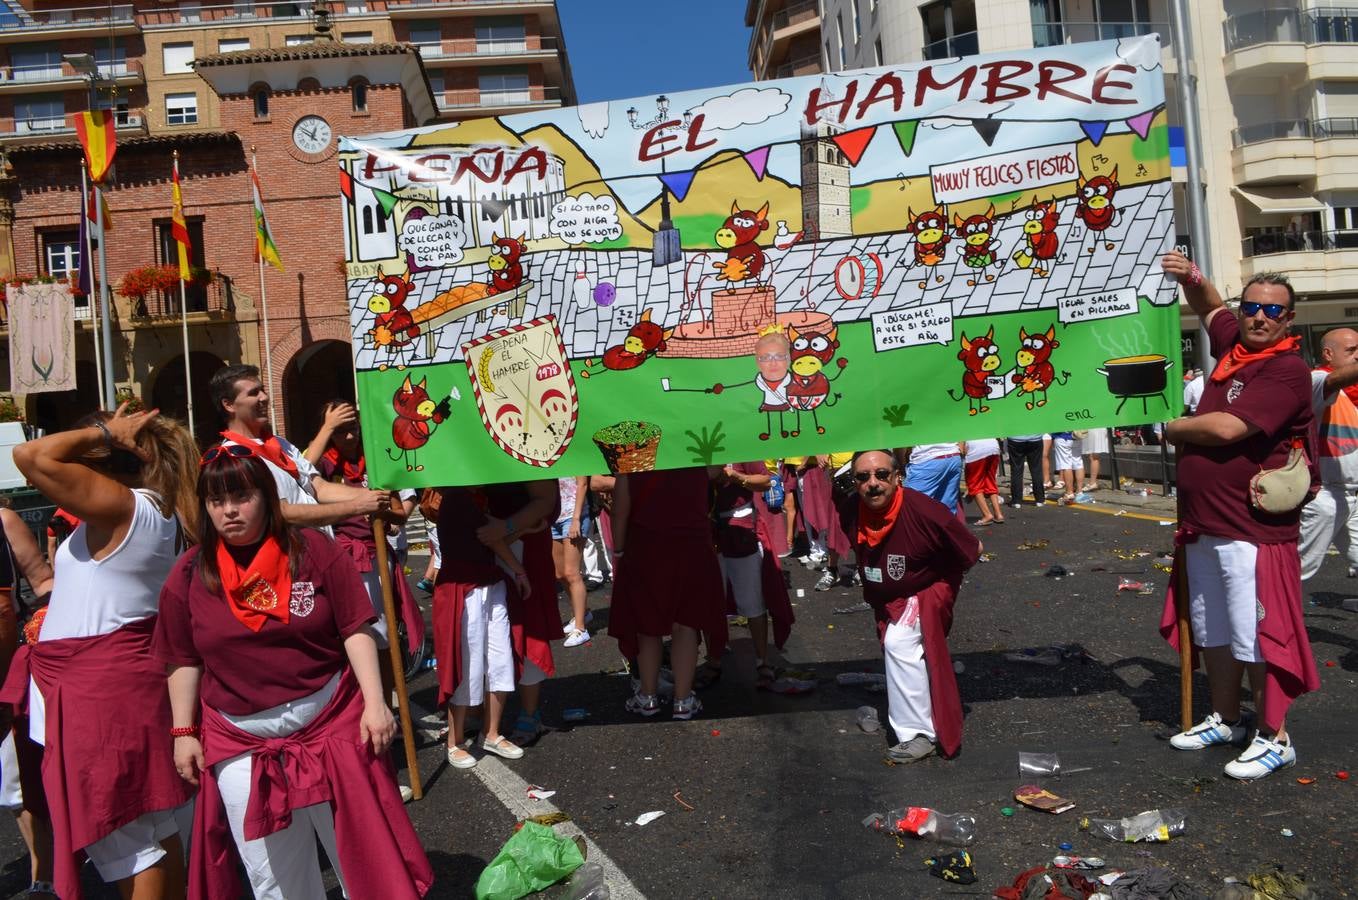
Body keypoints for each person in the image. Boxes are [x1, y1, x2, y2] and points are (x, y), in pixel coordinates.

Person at [154, 446, 433, 898]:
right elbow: (182, 657)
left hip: (331, 723)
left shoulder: (313, 550)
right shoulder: (189, 574)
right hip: (240, 739)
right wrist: (183, 731)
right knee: (273, 876)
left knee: (362, 858)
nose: (229, 510)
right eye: (215, 500)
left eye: (241, 496)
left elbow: (354, 627)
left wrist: (377, 702)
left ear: (265, 495)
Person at [4, 404, 199, 899]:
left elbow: (30, 455)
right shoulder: (159, 510)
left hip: (101, 696)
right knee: (150, 827)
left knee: (124, 840)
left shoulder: (127, 506)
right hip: (114, 686)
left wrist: (105, 431)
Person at [1159, 250, 1319, 781]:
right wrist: (1194, 276)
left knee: (1259, 635)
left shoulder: (1287, 368)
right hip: (1205, 523)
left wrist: (1171, 426)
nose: (1258, 317)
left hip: (1254, 530)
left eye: (1273, 311)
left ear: (1288, 320)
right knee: (1216, 631)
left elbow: (1229, 428)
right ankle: (1227, 718)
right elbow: (1208, 308)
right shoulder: (1234, 347)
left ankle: (1276, 737)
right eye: (1251, 306)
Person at [839, 451, 980, 762]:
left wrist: (935, 585)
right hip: (887, 595)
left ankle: (919, 734)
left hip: (926, 589)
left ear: (897, 476)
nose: (872, 484)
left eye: (881, 475)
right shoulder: (850, 509)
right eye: (862, 477)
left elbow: (972, 549)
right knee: (904, 650)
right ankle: (918, 710)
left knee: (899, 643)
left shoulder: (925, 511)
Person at [304, 400, 423, 662]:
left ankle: (385, 696)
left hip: (375, 558)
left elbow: (399, 514)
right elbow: (295, 476)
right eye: (339, 430)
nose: (348, 436)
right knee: (342, 631)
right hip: (336, 561)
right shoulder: (320, 465)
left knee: (381, 632)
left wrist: (383, 514)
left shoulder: (377, 460)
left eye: (353, 428)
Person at [433, 484, 542, 769]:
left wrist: (521, 534)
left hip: (489, 584)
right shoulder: (458, 496)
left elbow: (492, 537)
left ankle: (491, 733)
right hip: (463, 589)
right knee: (466, 663)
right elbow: (490, 537)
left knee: (500, 658)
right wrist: (519, 569)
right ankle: (454, 741)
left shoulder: (477, 497)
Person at [609, 467, 728, 720]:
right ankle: (683, 700)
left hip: (646, 547)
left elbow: (620, 510)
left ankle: (648, 696)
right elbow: (717, 469)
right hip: (691, 545)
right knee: (686, 624)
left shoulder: (635, 457)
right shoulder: (694, 452)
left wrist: (618, 551)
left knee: (647, 625)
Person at [209, 365, 387, 531]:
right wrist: (356, 506)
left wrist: (369, 495)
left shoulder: (280, 444)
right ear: (229, 405)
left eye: (262, 389)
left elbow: (319, 487)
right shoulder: (233, 457)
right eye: (254, 393)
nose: (264, 397)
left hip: (315, 553)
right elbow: (282, 512)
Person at [0, 505, 55, 898]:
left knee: (20, 781)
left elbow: (42, 581)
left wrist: (50, 620)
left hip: (4, 673)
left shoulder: (3, 521)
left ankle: (43, 876)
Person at [703, 463, 795, 690]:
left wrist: (734, 476)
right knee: (710, 602)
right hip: (705, 531)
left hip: (740, 530)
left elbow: (765, 481)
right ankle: (713, 660)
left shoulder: (739, 443)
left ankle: (762, 661)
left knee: (752, 600)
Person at [1299, 328, 1358, 581]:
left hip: (1352, 496)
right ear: (1327, 354)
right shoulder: (1316, 381)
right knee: (1298, 567)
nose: (1357, 356)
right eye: (1351, 350)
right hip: (1324, 495)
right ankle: (1261, 614)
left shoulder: (1353, 395)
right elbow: (1334, 382)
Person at [554, 476, 593, 647]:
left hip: (574, 516)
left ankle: (581, 628)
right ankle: (583, 613)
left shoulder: (575, 451)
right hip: (553, 517)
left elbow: (582, 484)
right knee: (559, 573)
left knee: (571, 572)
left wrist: (576, 519)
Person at [903, 443, 964, 514]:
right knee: (946, 510)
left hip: (927, 458)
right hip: (953, 455)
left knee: (912, 506)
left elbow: (901, 444)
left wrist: (901, 465)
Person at [962, 438, 1004, 525]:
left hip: (976, 450)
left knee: (974, 484)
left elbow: (962, 448)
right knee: (990, 481)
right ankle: (998, 514)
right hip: (993, 447)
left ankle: (987, 515)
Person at [1006, 433, 1046, 508]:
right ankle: (1040, 499)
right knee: (1036, 469)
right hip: (1035, 437)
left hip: (1016, 438)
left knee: (1016, 470)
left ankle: (1016, 501)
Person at [1052, 431, 1083, 504]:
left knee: (1066, 465)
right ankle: (1079, 491)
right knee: (1078, 464)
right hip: (1077, 436)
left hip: (1062, 436)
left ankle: (1069, 493)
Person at [1081, 428, 1109, 492]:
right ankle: (1092, 482)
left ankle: (1092, 482)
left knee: (1094, 456)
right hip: (1095, 428)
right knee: (1093, 455)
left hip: (1095, 428)